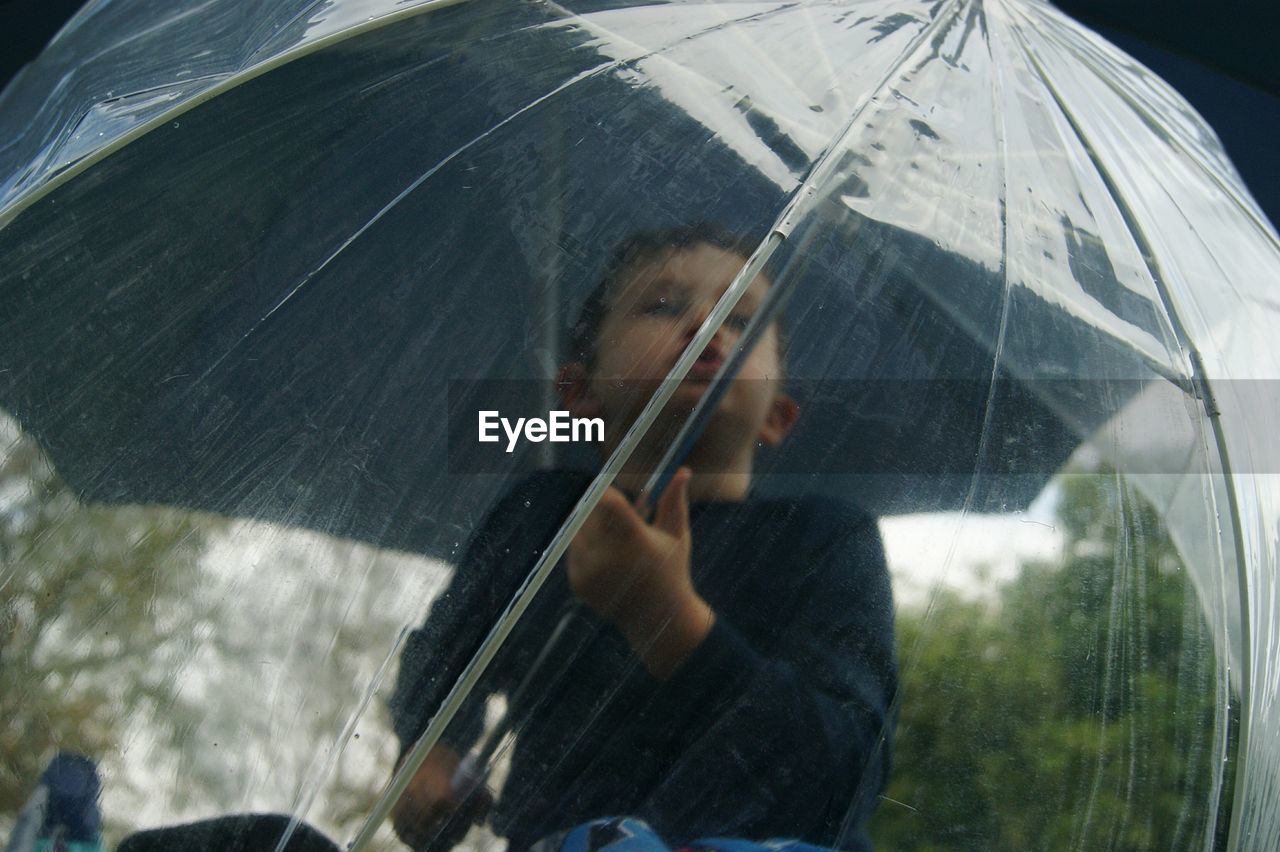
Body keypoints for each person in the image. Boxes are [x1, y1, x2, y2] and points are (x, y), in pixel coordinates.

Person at [388, 224, 897, 851]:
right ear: (578, 393)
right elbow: (449, 652)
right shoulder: (542, 514)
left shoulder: (826, 537)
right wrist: (432, 748)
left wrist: (666, 617)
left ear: (777, 416)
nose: (706, 328)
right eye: (663, 306)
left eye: (739, 320)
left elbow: (844, 773)